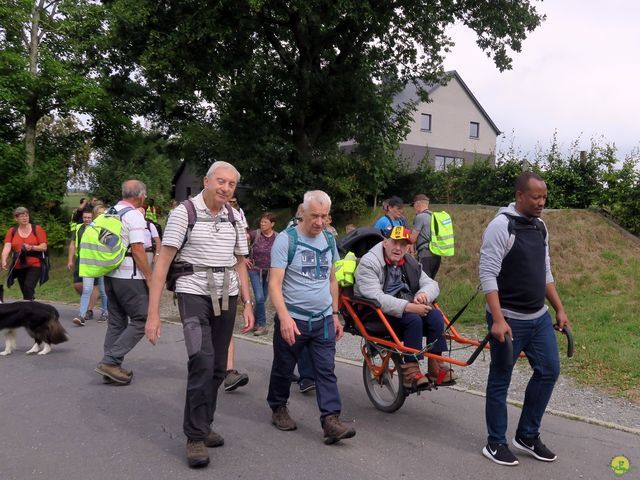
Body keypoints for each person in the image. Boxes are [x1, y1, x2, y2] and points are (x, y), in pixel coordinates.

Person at [145, 161, 254, 469]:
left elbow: (240, 262)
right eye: (221, 181)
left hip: (228, 294)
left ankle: (204, 424)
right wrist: (152, 314)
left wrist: (248, 302)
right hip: (193, 293)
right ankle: (194, 436)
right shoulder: (184, 213)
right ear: (206, 181)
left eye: (231, 184)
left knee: (219, 368)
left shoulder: (235, 216)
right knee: (202, 361)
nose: (225, 188)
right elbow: (163, 262)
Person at [479, 172, 570, 466]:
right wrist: (497, 319)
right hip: (508, 319)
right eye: (536, 197)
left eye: (544, 197)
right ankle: (495, 443)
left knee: (549, 370)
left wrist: (559, 308)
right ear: (520, 196)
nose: (541, 202)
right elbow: (488, 274)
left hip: (538, 316)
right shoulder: (501, 226)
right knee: (500, 379)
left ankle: (527, 435)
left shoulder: (540, 227)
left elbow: (545, 272)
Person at [267, 190, 355, 445]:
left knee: (326, 370)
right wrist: (284, 318)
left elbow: (331, 279)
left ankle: (331, 420)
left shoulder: (328, 239)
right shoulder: (286, 240)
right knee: (284, 369)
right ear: (302, 212)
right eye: (315, 215)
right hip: (293, 319)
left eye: (325, 217)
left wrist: (336, 314)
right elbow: (274, 283)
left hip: (323, 320)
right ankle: (278, 407)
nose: (319, 222)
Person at [354, 226, 455, 388]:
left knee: (435, 316)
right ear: (385, 242)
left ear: (408, 246)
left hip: (405, 309)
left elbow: (431, 284)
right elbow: (374, 296)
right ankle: (411, 371)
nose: (398, 248)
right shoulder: (369, 262)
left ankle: (436, 366)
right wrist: (408, 307)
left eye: (403, 244)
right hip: (376, 313)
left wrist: (423, 295)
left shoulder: (409, 261)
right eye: (395, 242)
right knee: (413, 319)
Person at [94, 180, 153, 385]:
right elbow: (137, 249)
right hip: (130, 277)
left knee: (117, 322)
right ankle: (110, 361)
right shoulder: (134, 215)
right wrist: (150, 276)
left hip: (109, 273)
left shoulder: (108, 212)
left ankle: (110, 367)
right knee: (142, 319)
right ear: (141, 195)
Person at [68, 208, 108, 326]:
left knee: (102, 289)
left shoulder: (103, 229)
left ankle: (105, 312)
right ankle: (82, 315)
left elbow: (110, 246)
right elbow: (75, 244)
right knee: (86, 289)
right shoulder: (82, 229)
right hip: (86, 263)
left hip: (100, 263)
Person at [1, 207, 48, 300]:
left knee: (28, 286)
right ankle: (30, 306)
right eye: (22, 216)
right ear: (16, 218)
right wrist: (3, 260)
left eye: (26, 216)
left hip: (35, 264)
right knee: (25, 291)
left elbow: (44, 247)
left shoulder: (37, 229)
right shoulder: (12, 231)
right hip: (19, 265)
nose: (25, 218)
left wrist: (32, 247)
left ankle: (31, 310)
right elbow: (7, 247)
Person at [247, 212, 278, 336]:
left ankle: (253, 321)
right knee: (259, 297)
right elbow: (241, 240)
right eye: (261, 221)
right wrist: (243, 258)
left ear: (272, 224)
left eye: (265, 222)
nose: (262, 224)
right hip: (254, 269)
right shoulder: (256, 234)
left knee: (263, 299)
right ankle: (262, 325)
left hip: (270, 271)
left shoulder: (277, 237)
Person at [410, 194, 441, 279]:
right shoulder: (434, 216)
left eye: (414, 205)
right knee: (430, 281)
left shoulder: (420, 217)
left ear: (418, 204)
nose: (414, 208)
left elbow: (412, 239)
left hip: (425, 254)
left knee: (423, 281)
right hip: (437, 254)